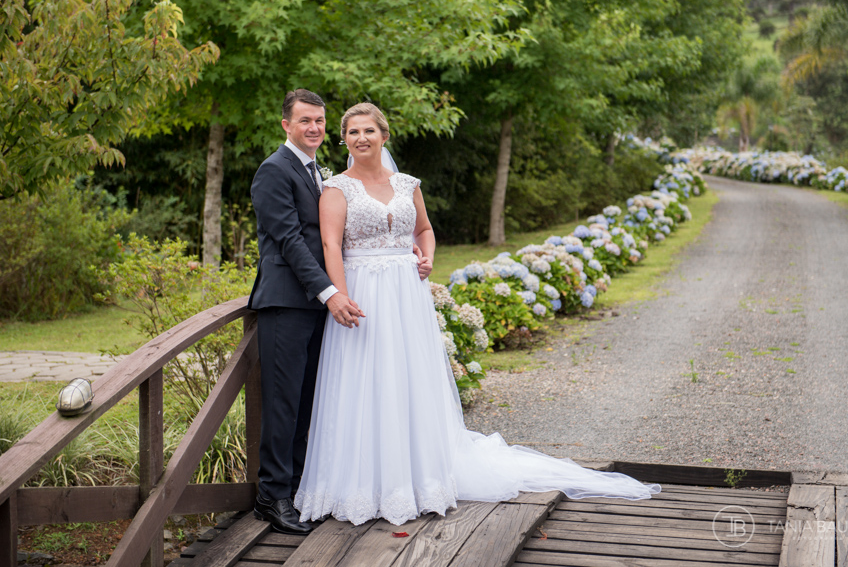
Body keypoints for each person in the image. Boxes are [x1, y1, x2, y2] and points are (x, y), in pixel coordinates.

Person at [293, 103, 660, 527]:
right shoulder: (336, 189)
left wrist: (427, 258)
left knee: (408, 379)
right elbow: (331, 245)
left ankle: (418, 477)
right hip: (362, 292)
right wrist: (337, 295)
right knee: (364, 379)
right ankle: (361, 484)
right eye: (353, 132)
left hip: (406, 296)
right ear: (345, 140)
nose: (361, 138)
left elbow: (425, 230)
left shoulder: (407, 184)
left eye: (369, 130)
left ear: (384, 136)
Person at [248, 89, 364, 535]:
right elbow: (290, 241)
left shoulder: (318, 172)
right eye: (305, 121)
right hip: (286, 302)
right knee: (282, 403)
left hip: (315, 304)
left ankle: (294, 488)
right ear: (286, 126)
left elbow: (333, 233)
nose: (314, 128)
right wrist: (330, 292)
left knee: (306, 401)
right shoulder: (273, 171)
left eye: (319, 121)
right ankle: (271, 497)